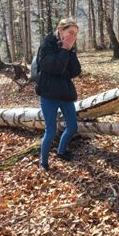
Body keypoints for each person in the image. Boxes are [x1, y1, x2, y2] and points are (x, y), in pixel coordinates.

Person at [35, 18, 81, 172]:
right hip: (48, 94)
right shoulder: (47, 45)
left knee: (73, 127)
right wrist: (65, 50)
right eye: (70, 32)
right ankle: (44, 162)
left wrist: (69, 51)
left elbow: (75, 71)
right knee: (51, 130)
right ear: (61, 31)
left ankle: (61, 151)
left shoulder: (69, 48)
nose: (73, 36)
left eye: (75, 34)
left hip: (65, 94)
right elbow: (54, 67)